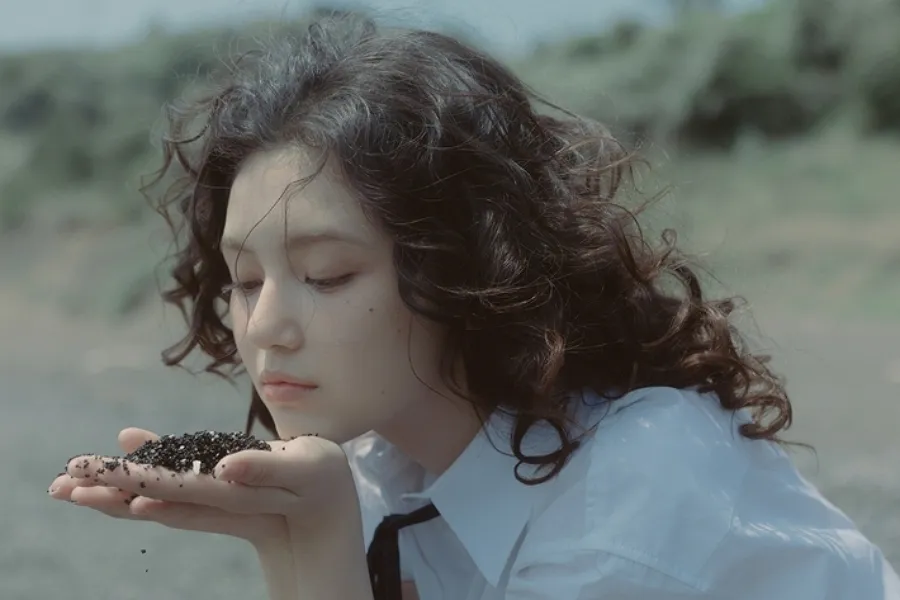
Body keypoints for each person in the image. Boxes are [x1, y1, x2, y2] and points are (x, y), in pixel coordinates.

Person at [48, 13, 899, 600]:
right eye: (243, 280)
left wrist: (315, 551)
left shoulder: (626, 500)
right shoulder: (393, 469)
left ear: (464, 267)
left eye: (328, 275)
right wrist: (300, 532)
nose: (266, 325)